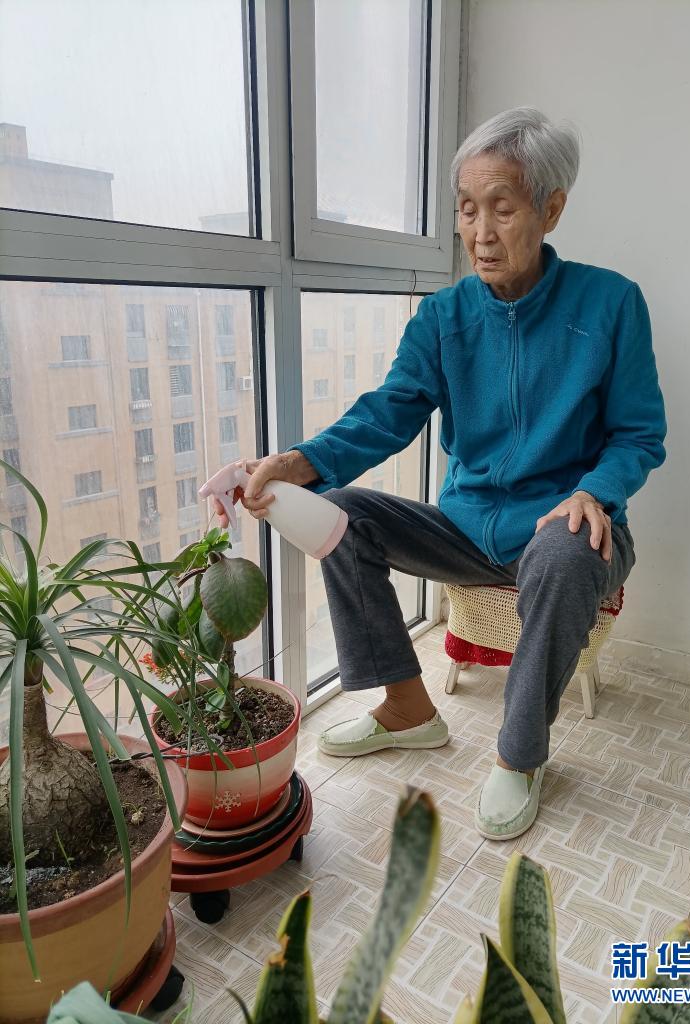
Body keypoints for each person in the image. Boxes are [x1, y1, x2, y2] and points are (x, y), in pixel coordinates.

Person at [216, 108, 666, 841]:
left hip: (568, 526)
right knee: (343, 514)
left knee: (562, 550)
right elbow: (390, 411)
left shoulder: (611, 304)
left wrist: (595, 491)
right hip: (464, 528)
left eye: (502, 208)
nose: (480, 232)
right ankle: (407, 708)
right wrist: (300, 462)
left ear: (550, 209)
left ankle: (520, 755)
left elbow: (639, 434)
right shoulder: (443, 317)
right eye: (466, 208)